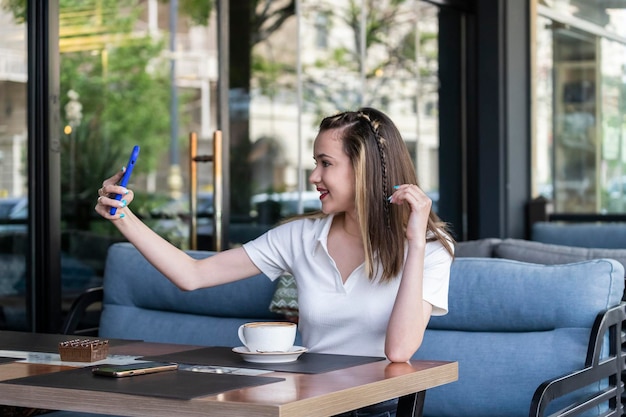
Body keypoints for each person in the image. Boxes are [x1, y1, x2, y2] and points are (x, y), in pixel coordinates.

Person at [95, 107, 455, 417]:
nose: (314, 177)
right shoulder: (300, 236)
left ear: (364, 171)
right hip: (307, 403)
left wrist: (413, 243)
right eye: (315, 163)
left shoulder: (431, 249)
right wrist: (122, 216)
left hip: (379, 408)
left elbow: (399, 350)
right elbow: (192, 275)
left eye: (325, 164)